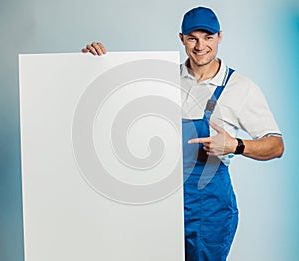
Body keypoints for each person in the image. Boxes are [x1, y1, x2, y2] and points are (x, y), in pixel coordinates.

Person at [82, 6, 284, 261]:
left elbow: (276, 146)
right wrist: (91, 64)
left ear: (220, 37)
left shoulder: (240, 88)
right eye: (192, 38)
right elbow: (115, 105)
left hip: (209, 211)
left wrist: (236, 145)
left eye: (208, 37)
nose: (200, 46)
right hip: (161, 205)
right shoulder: (163, 79)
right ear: (182, 39)